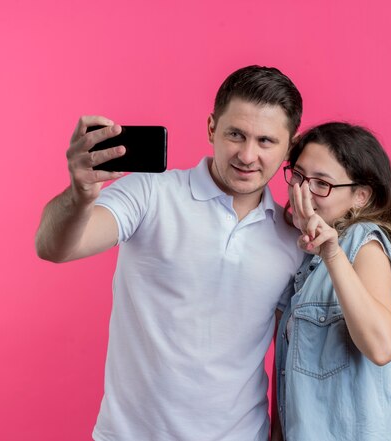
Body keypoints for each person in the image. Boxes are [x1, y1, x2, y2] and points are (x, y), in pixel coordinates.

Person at [35, 65, 305, 441]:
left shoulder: (293, 238)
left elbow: (286, 361)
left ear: (289, 147)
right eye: (235, 134)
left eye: (265, 141)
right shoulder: (150, 194)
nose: (247, 155)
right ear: (212, 128)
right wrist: (79, 195)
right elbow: (54, 247)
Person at [273, 122, 391, 440]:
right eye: (299, 176)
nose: (303, 192)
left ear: (361, 196)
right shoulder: (306, 261)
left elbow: (380, 346)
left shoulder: (362, 242)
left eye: (322, 184)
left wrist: (333, 254)